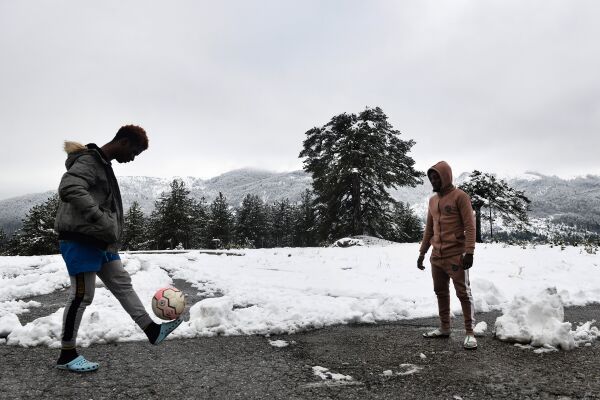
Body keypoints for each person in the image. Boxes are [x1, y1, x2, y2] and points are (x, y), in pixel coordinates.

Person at [54, 125, 183, 372]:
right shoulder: (90, 161)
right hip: (81, 239)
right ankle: (67, 355)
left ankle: (152, 330)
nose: (133, 158)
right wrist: (98, 217)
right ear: (123, 142)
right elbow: (69, 187)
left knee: (122, 283)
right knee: (82, 296)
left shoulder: (103, 163)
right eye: (134, 151)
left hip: (101, 241)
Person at [417, 161, 477, 350]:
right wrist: (422, 252)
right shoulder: (433, 200)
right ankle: (445, 328)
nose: (434, 180)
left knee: (463, 293)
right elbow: (429, 229)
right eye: (431, 177)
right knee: (440, 292)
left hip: (456, 256)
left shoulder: (460, 197)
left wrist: (469, 251)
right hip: (436, 256)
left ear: (446, 176)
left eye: (437, 177)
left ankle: (469, 333)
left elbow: (470, 226)